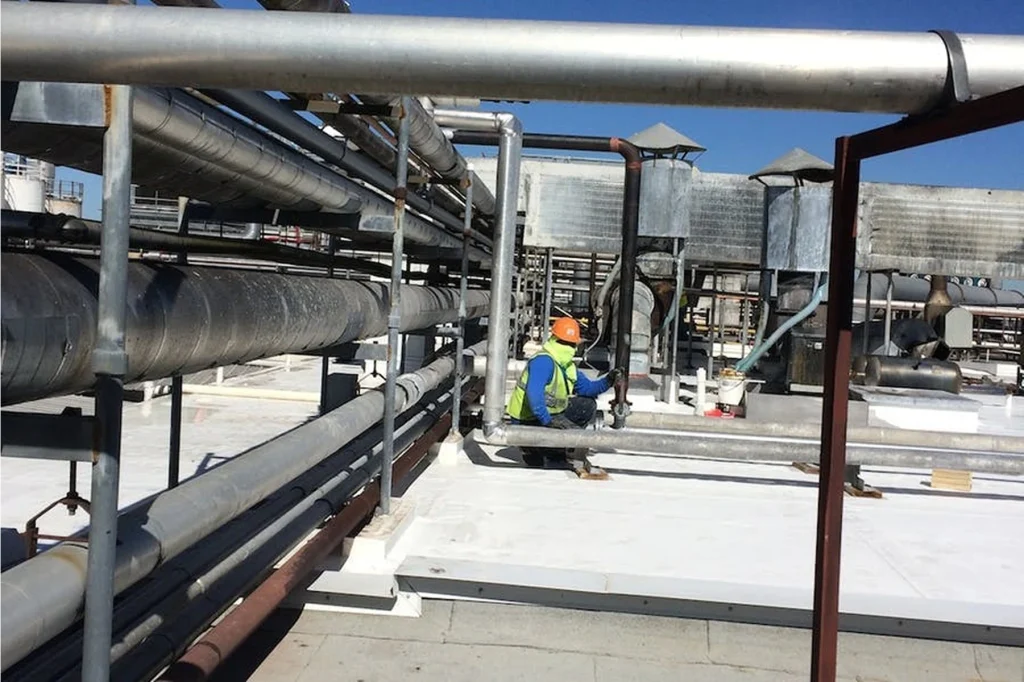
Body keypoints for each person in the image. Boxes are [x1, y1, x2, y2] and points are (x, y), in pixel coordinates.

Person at [506, 317, 624, 466]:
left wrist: (609, 380)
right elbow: (534, 396)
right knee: (565, 444)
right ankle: (532, 448)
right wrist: (549, 422)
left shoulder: (566, 365)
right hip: (527, 421)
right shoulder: (544, 361)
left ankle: (553, 447)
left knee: (587, 405)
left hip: (549, 415)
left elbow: (588, 389)